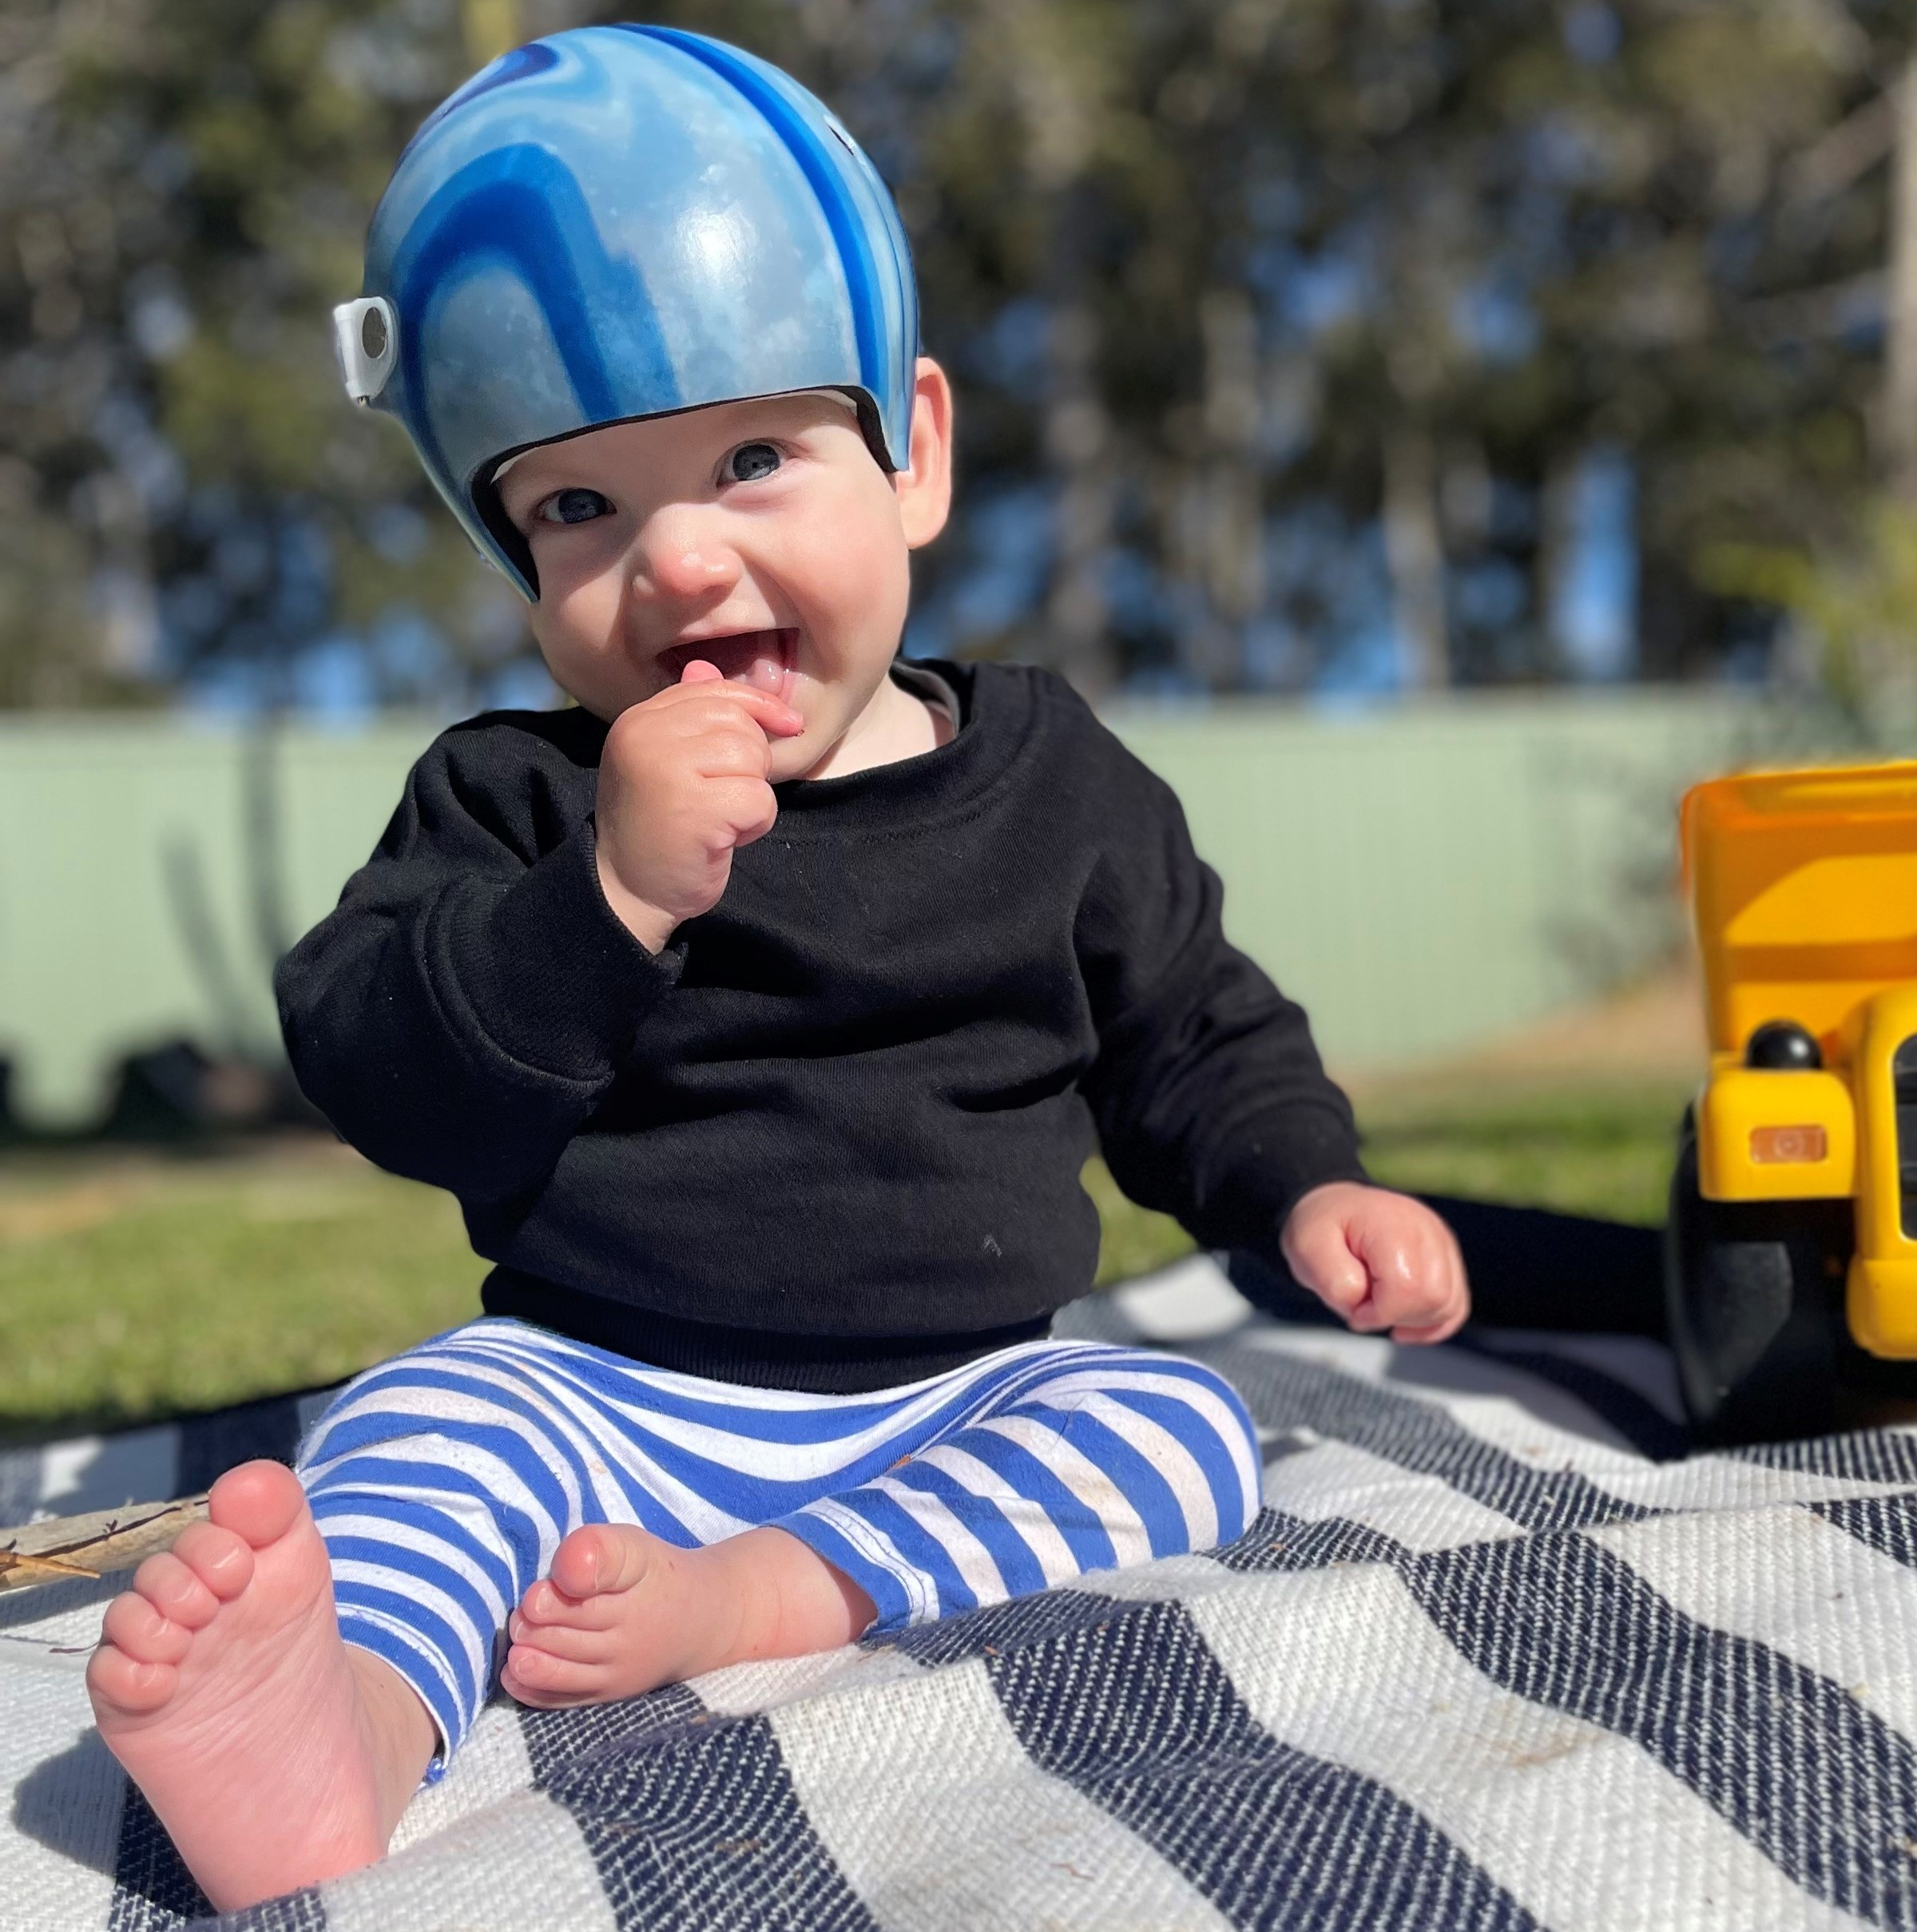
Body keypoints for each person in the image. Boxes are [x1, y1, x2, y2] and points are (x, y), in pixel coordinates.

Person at [81, 27, 1468, 1913]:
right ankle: (343, 1726)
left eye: (751, 456)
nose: (676, 558)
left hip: (953, 1394)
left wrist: (1306, 1176)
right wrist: (608, 895)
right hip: (599, 1389)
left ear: (916, 455)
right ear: (517, 562)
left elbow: (1194, 1031)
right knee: (412, 1422)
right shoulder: (516, 797)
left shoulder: (1051, 779)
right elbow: (372, 1055)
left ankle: (765, 1598)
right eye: (578, 507)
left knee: (1178, 1423)